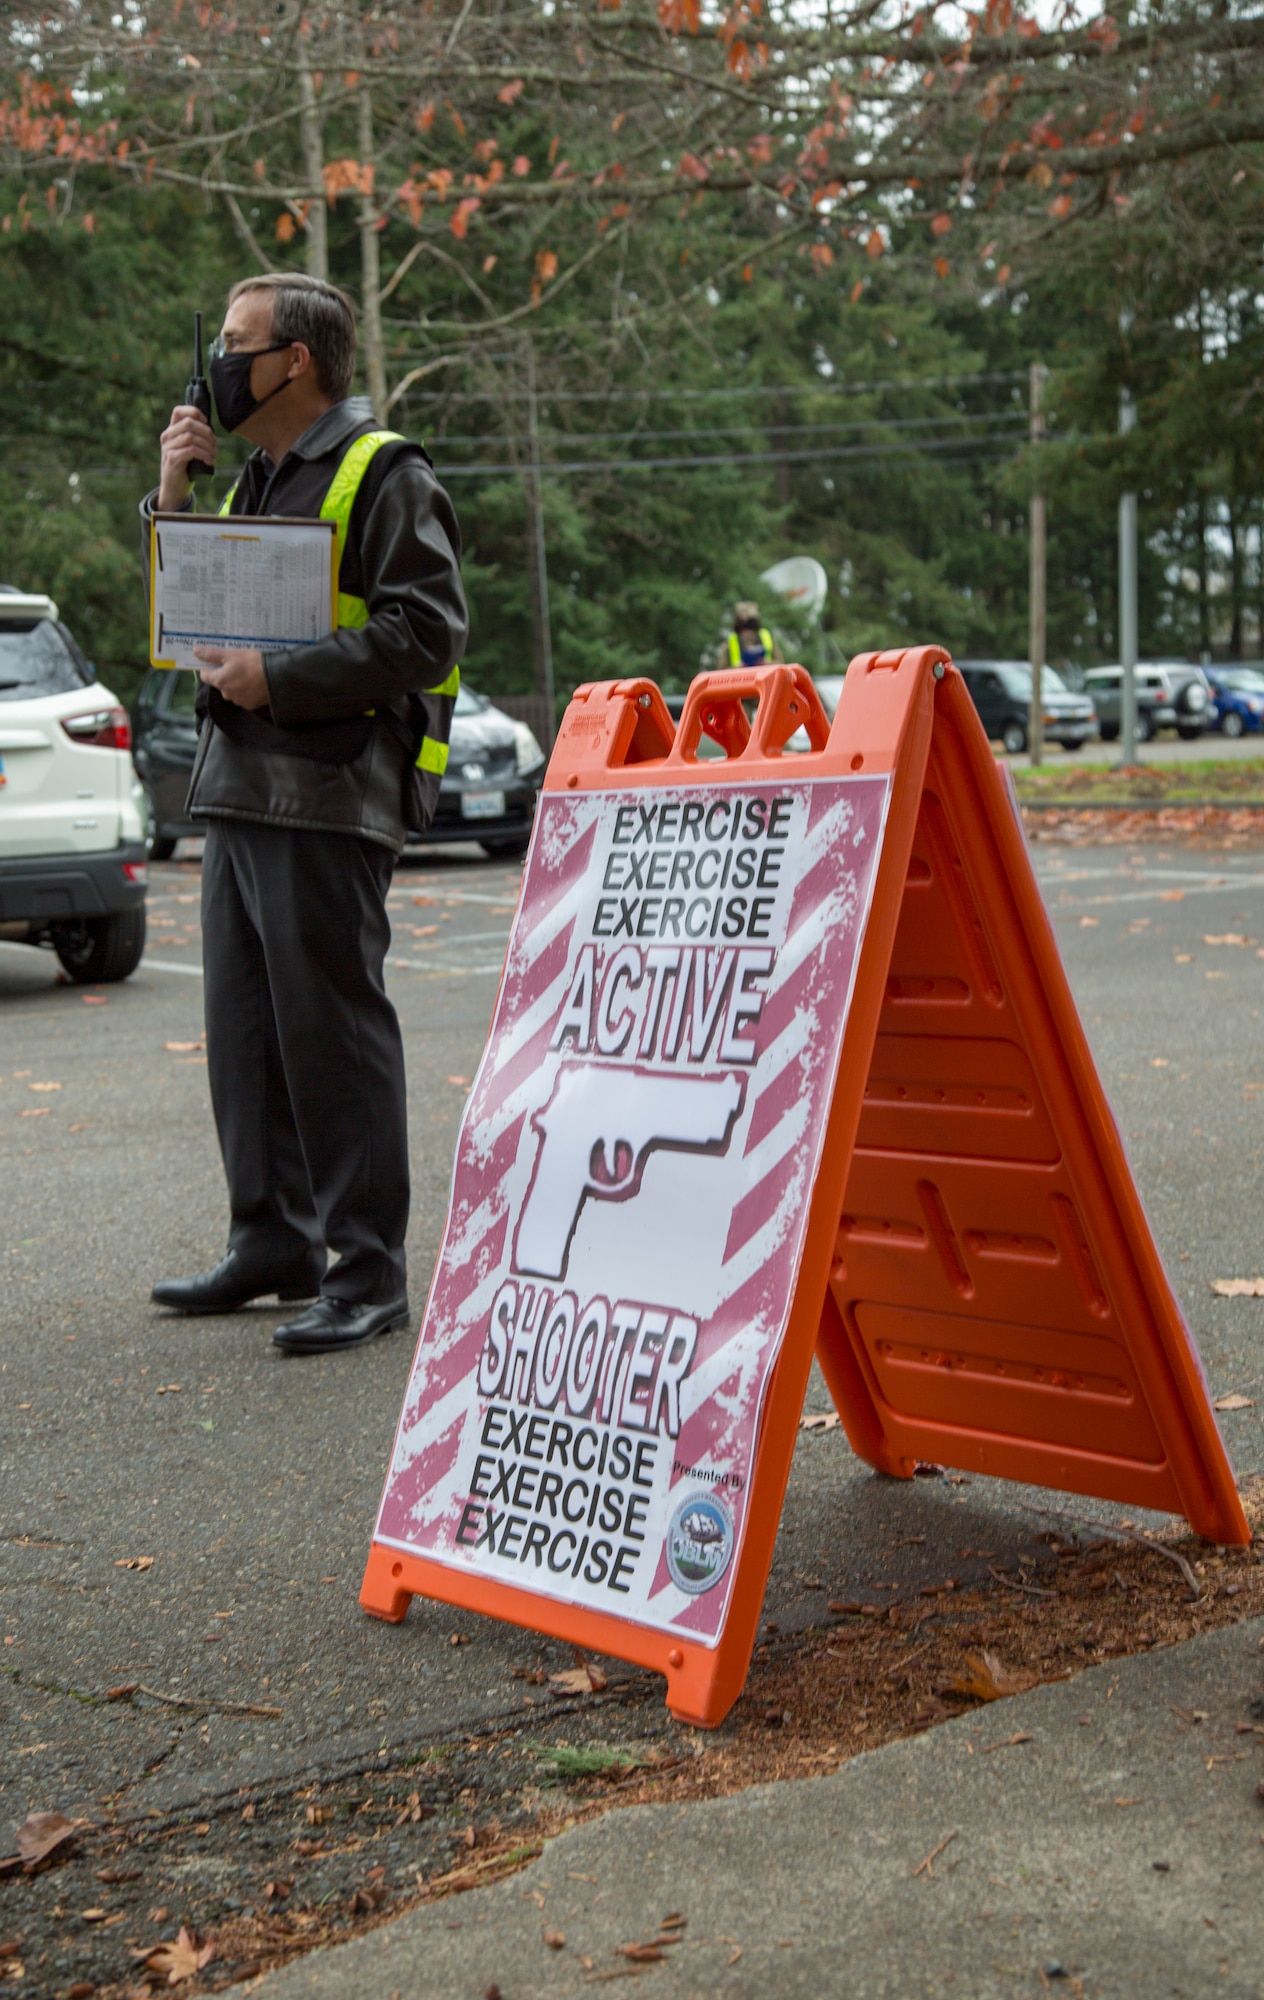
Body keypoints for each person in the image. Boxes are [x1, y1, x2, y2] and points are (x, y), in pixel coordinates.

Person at [144, 273, 468, 1356]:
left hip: (330, 791)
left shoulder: (386, 473)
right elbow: (188, 611)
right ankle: (272, 1241)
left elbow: (426, 633)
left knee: (332, 1034)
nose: (218, 364)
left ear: (295, 360)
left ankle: (366, 1269)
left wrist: (279, 680)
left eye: (237, 343)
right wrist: (173, 491)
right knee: (245, 1035)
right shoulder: (254, 478)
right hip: (240, 787)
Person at [717, 601, 780, 671]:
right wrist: (737, 668)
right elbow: (721, 669)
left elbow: (780, 663)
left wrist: (767, 664)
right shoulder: (730, 641)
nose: (748, 632)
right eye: (743, 625)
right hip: (740, 680)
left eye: (751, 624)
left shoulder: (767, 637)